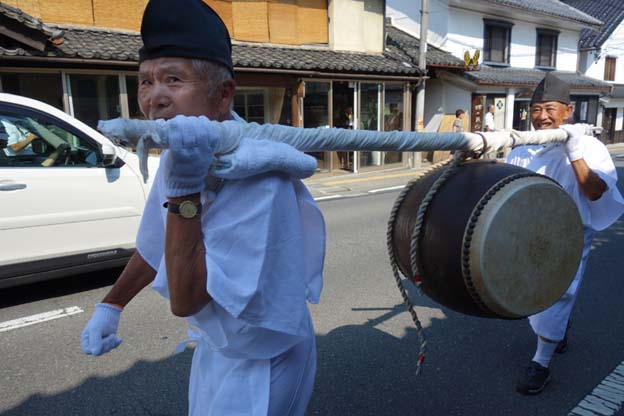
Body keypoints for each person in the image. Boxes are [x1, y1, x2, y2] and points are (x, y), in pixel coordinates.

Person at [79, 1, 325, 415]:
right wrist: (112, 304)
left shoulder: (259, 175)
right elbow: (154, 243)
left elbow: (187, 298)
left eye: (173, 79)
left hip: (268, 353)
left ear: (222, 95)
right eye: (145, 81)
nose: (154, 98)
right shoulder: (185, 153)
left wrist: (183, 193)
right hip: (217, 346)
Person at [507, 73, 624, 395]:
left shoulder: (589, 145)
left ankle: (541, 363)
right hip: (527, 233)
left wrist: (573, 151)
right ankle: (557, 331)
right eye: (535, 109)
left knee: (560, 293)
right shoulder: (522, 147)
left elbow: (596, 190)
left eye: (549, 109)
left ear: (567, 111)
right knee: (531, 291)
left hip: (569, 234)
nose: (542, 116)